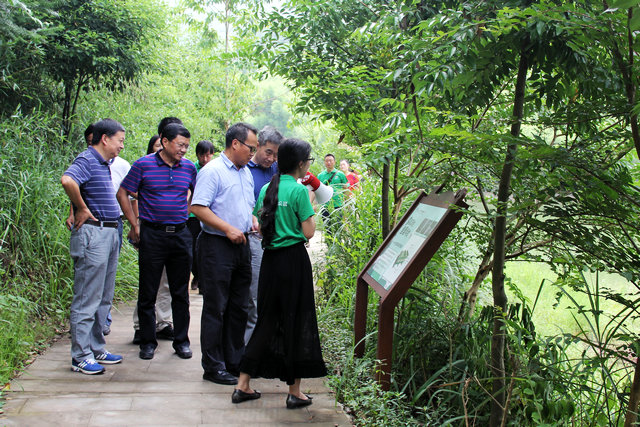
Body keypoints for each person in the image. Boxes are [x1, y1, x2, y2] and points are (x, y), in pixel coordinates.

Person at [231, 138, 327, 408]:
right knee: (296, 321)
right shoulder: (298, 192)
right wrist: (309, 203)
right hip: (293, 261)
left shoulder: (266, 189)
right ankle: (294, 392)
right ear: (300, 164)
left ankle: (243, 385)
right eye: (308, 160)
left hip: (270, 261)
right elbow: (309, 232)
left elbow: (261, 228)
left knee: (267, 320)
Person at [117, 123, 196, 361]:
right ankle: (148, 342)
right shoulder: (144, 165)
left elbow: (196, 193)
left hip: (181, 234)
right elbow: (123, 192)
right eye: (180, 145)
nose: (183, 150)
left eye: (186, 146)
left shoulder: (189, 168)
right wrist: (135, 223)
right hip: (152, 234)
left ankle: (181, 341)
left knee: (180, 292)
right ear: (164, 141)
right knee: (148, 290)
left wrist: (184, 208)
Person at [190, 122, 259, 386]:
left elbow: (243, 205)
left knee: (239, 306)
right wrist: (228, 228)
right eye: (250, 148)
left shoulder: (245, 172)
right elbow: (198, 207)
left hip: (242, 244)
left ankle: (234, 359)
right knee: (216, 307)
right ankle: (213, 365)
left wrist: (250, 219)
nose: (252, 153)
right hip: (217, 245)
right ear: (235, 144)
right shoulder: (213, 171)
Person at [60, 118, 126, 375]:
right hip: (93, 235)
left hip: (109, 233)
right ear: (105, 138)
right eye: (119, 140)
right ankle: (80, 355)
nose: (121, 146)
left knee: (103, 296)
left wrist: (79, 206)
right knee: (87, 297)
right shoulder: (87, 159)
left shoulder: (103, 164)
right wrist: (82, 208)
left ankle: (97, 347)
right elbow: (68, 181)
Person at [131, 134, 175, 345]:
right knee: (148, 282)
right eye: (156, 147)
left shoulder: (178, 168)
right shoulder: (143, 167)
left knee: (166, 281)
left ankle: (163, 322)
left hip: (172, 232)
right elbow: (130, 196)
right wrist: (136, 225)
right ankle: (141, 325)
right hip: (148, 230)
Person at [245, 125, 284, 344]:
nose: (272, 158)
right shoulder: (244, 169)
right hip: (251, 238)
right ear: (258, 146)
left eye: (276, 155)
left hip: (273, 242)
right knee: (254, 295)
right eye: (268, 152)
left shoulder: (278, 171)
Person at [187, 140, 216, 293]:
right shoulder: (192, 169)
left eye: (207, 155)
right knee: (193, 248)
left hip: (209, 215)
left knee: (204, 249)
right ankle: (196, 275)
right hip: (192, 215)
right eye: (201, 156)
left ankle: (203, 281)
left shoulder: (215, 169)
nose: (204, 159)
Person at [317, 154, 348, 235]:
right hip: (325, 206)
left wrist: (346, 202)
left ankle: (339, 245)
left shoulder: (340, 174)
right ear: (324, 162)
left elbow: (345, 188)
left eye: (331, 160)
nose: (329, 162)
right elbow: (317, 191)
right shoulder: (320, 176)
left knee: (339, 227)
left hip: (338, 204)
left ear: (334, 162)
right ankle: (329, 245)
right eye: (327, 160)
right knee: (328, 228)